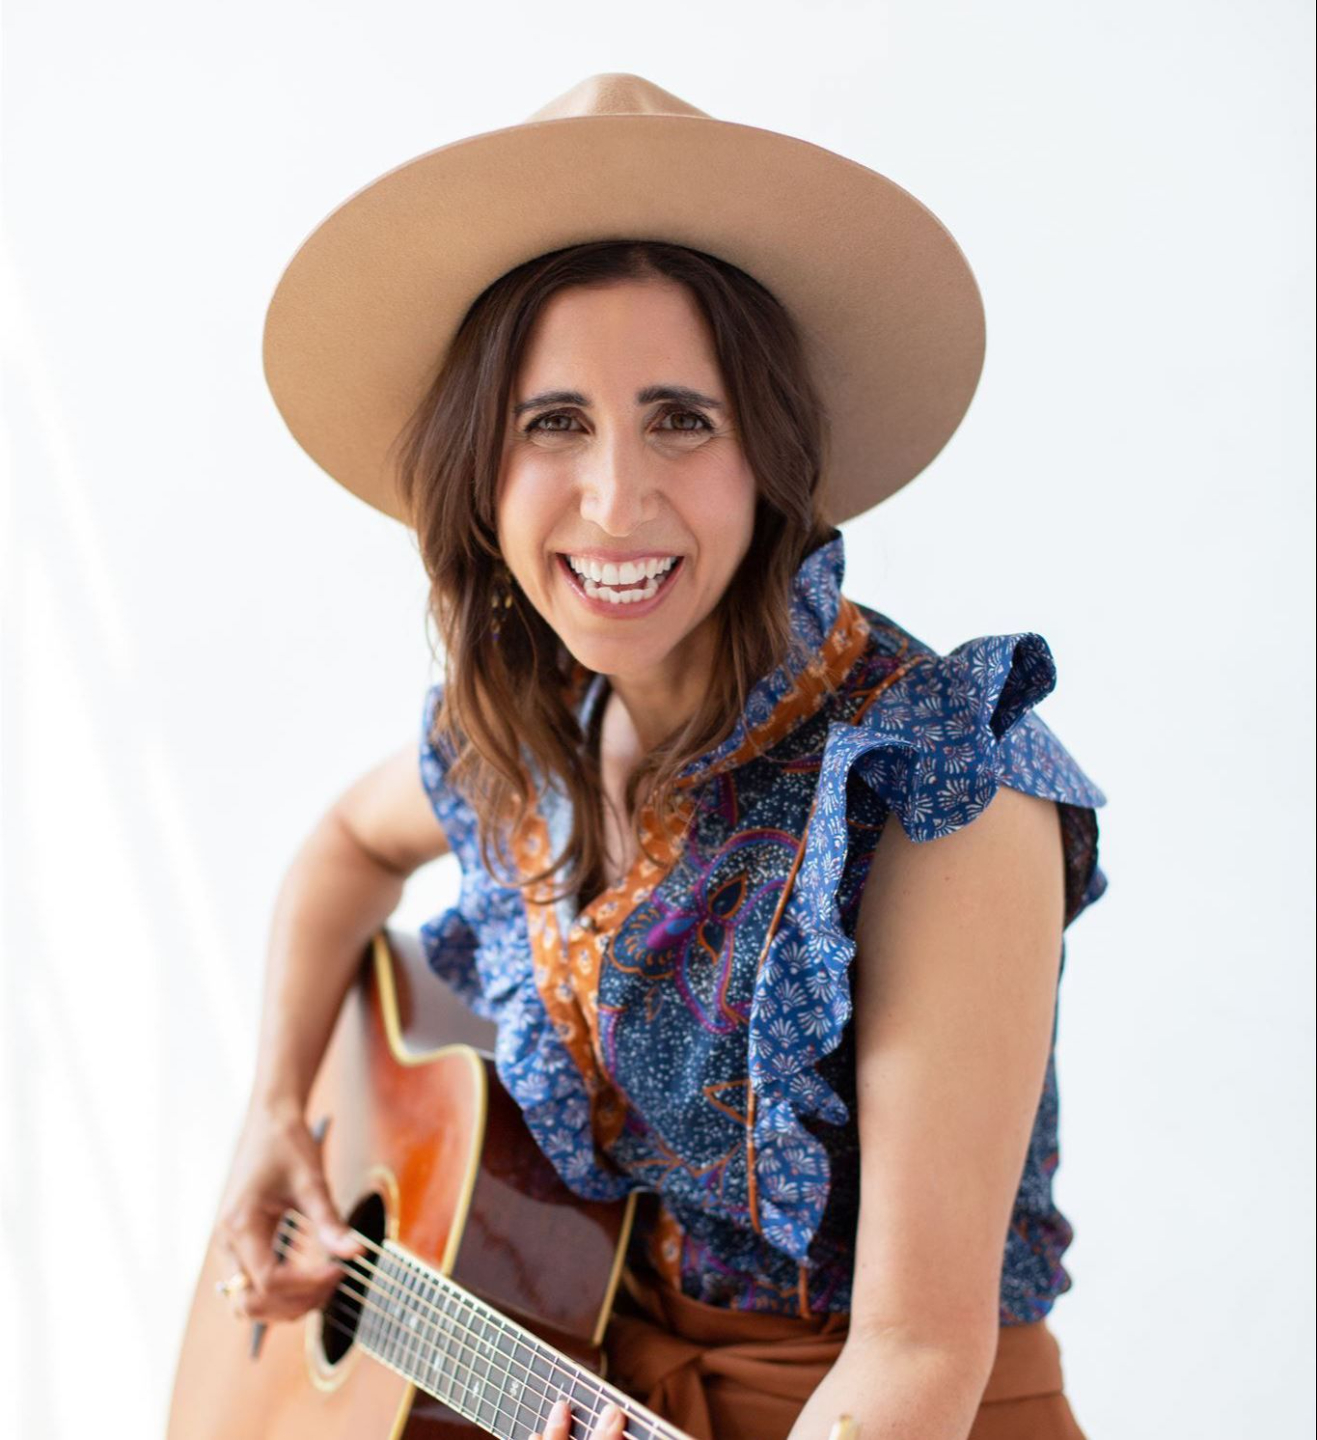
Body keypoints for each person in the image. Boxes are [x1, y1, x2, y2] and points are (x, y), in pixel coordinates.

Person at [218, 73, 1107, 1440]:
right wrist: (272, 1115)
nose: (615, 498)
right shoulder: (523, 736)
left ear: (769, 455)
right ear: (479, 473)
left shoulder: (936, 777)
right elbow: (343, 849)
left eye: (682, 418)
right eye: (552, 422)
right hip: (592, 1380)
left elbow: (919, 1356)